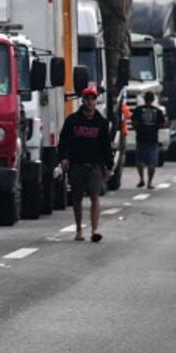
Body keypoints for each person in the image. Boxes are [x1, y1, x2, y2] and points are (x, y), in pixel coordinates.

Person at [58, 87, 113, 243]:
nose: (90, 102)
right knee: (77, 197)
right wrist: (63, 158)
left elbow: (106, 146)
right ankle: (79, 229)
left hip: (95, 165)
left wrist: (109, 167)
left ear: (96, 102)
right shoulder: (73, 120)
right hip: (77, 164)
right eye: (87, 99)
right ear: (83, 101)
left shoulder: (101, 123)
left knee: (95, 196)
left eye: (92, 99)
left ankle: (95, 229)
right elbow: (63, 141)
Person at [132, 91, 167, 189]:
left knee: (140, 161)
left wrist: (139, 128)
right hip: (153, 139)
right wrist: (154, 127)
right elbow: (163, 123)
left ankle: (141, 179)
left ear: (144, 99)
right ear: (153, 99)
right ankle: (150, 182)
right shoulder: (157, 111)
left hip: (141, 138)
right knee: (151, 162)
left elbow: (133, 122)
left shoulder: (138, 110)